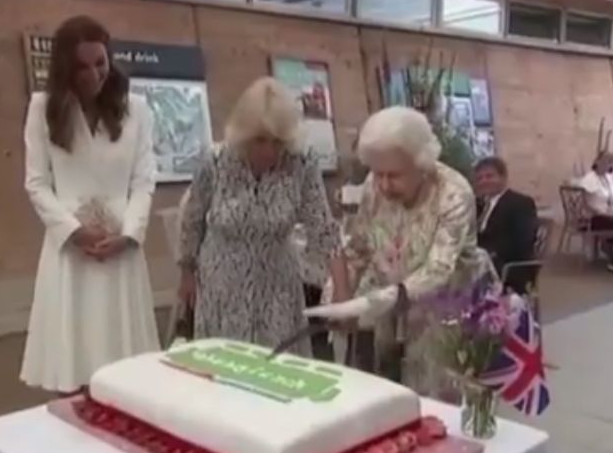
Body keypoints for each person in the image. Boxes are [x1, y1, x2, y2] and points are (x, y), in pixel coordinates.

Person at [20, 16, 159, 393]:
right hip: (71, 251)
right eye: (82, 66)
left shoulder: (138, 110)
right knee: (72, 361)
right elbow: (36, 183)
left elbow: (144, 179)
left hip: (121, 250)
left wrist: (130, 234)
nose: (94, 74)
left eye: (101, 62)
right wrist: (74, 232)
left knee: (128, 371)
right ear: (66, 67)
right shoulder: (42, 109)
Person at [330, 106, 495, 398]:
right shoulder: (374, 186)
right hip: (390, 308)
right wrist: (338, 297)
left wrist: (373, 302)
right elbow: (358, 249)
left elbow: (438, 270)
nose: (382, 185)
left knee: (437, 397)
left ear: (422, 164)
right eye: (377, 173)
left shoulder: (453, 193)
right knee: (389, 394)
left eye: (393, 176)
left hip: (446, 309)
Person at [177, 77, 348, 356]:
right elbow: (192, 219)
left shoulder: (300, 163)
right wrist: (186, 275)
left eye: (278, 141)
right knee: (226, 368)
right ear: (244, 133)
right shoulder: (215, 161)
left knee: (276, 369)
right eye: (260, 140)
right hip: (222, 285)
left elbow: (324, 229)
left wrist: (342, 292)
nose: (269, 150)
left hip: (277, 288)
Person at [473, 157, 539, 294]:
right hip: (479, 264)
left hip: (508, 267)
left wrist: (488, 254)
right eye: (479, 178)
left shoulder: (520, 203)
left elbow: (524, 241)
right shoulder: (479, 206)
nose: (484, 181)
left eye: (489, 176)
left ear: (503, 178)